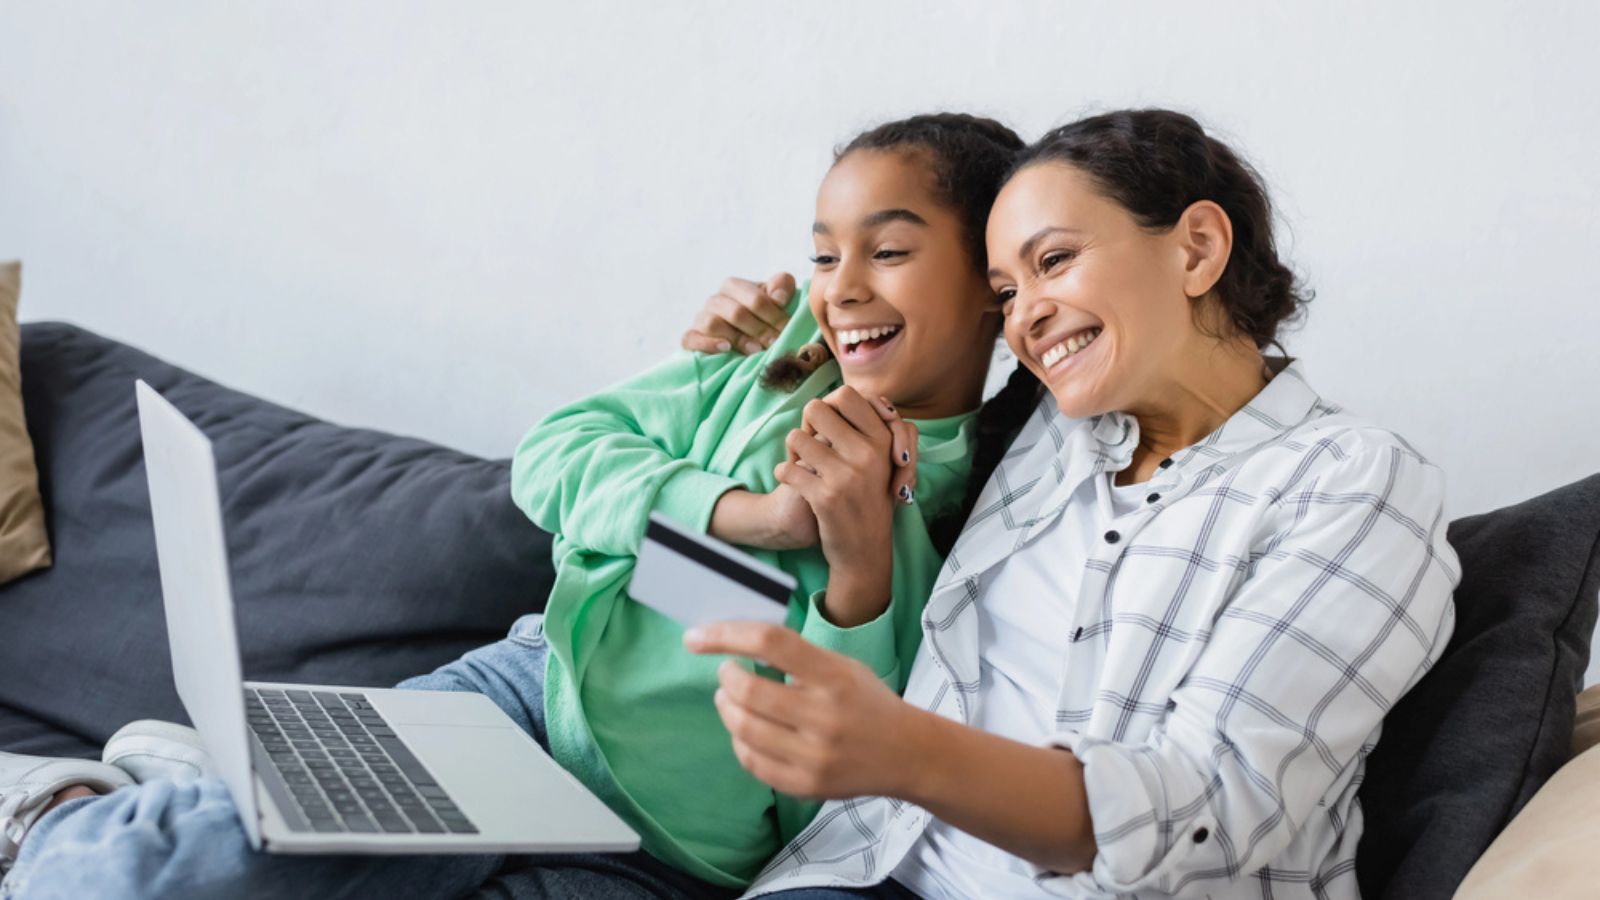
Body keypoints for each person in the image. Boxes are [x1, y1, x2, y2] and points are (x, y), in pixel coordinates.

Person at [0, 114, 1031, 900]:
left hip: (670, 848)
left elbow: (835, 784)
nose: (839, 286)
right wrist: (739, 518)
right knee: (127, 881)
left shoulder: (987, 509)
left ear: (992, 284)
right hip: (528, 705)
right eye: (822, 251)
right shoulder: (755, 374)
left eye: (887, 252)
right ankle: (64, 806)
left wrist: (855, 582)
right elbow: (557, 459)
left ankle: (172, 780)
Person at [682, 109, 1459, 900]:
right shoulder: (1045, 424)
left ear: (1197, 248)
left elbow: (1213, 809)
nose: (1023, 316)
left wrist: (907, 751)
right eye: (1006, 291)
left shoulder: (1350, 481)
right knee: (544, 643)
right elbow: (624, 516)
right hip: (857, 864)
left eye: (1054, 260)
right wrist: (755, 355)